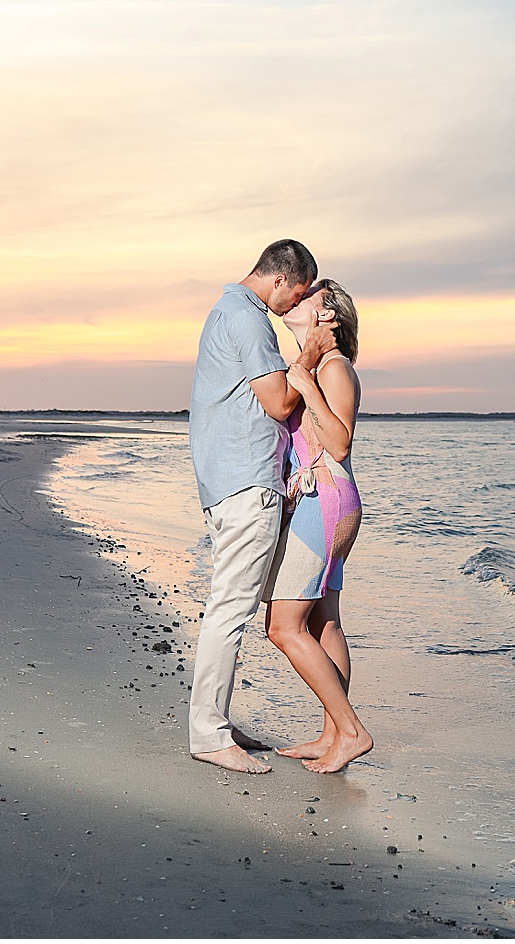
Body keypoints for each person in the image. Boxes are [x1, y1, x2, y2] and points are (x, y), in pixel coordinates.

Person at [187, 239, 339, 774]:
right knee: (231, 609)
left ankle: (217, 723)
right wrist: (313, 352)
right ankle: (207, 734)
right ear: (280, 280)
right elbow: (277, 402)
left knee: (232, 606)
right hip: (246, 484)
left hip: (233, 480)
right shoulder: (248, 319)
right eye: (296, 293)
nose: (293, 304)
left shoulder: (227, 311)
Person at [262, 279, 373, 773]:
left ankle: (351, 731)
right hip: (325, 501)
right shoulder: (322, 366)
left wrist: (305, 383)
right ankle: (332, 734)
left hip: (324, 501)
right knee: (323, 621)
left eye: (308, 297)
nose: (295, 300)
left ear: (327, 315)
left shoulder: (335, 369)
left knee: (282, 627)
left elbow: (340, 443)